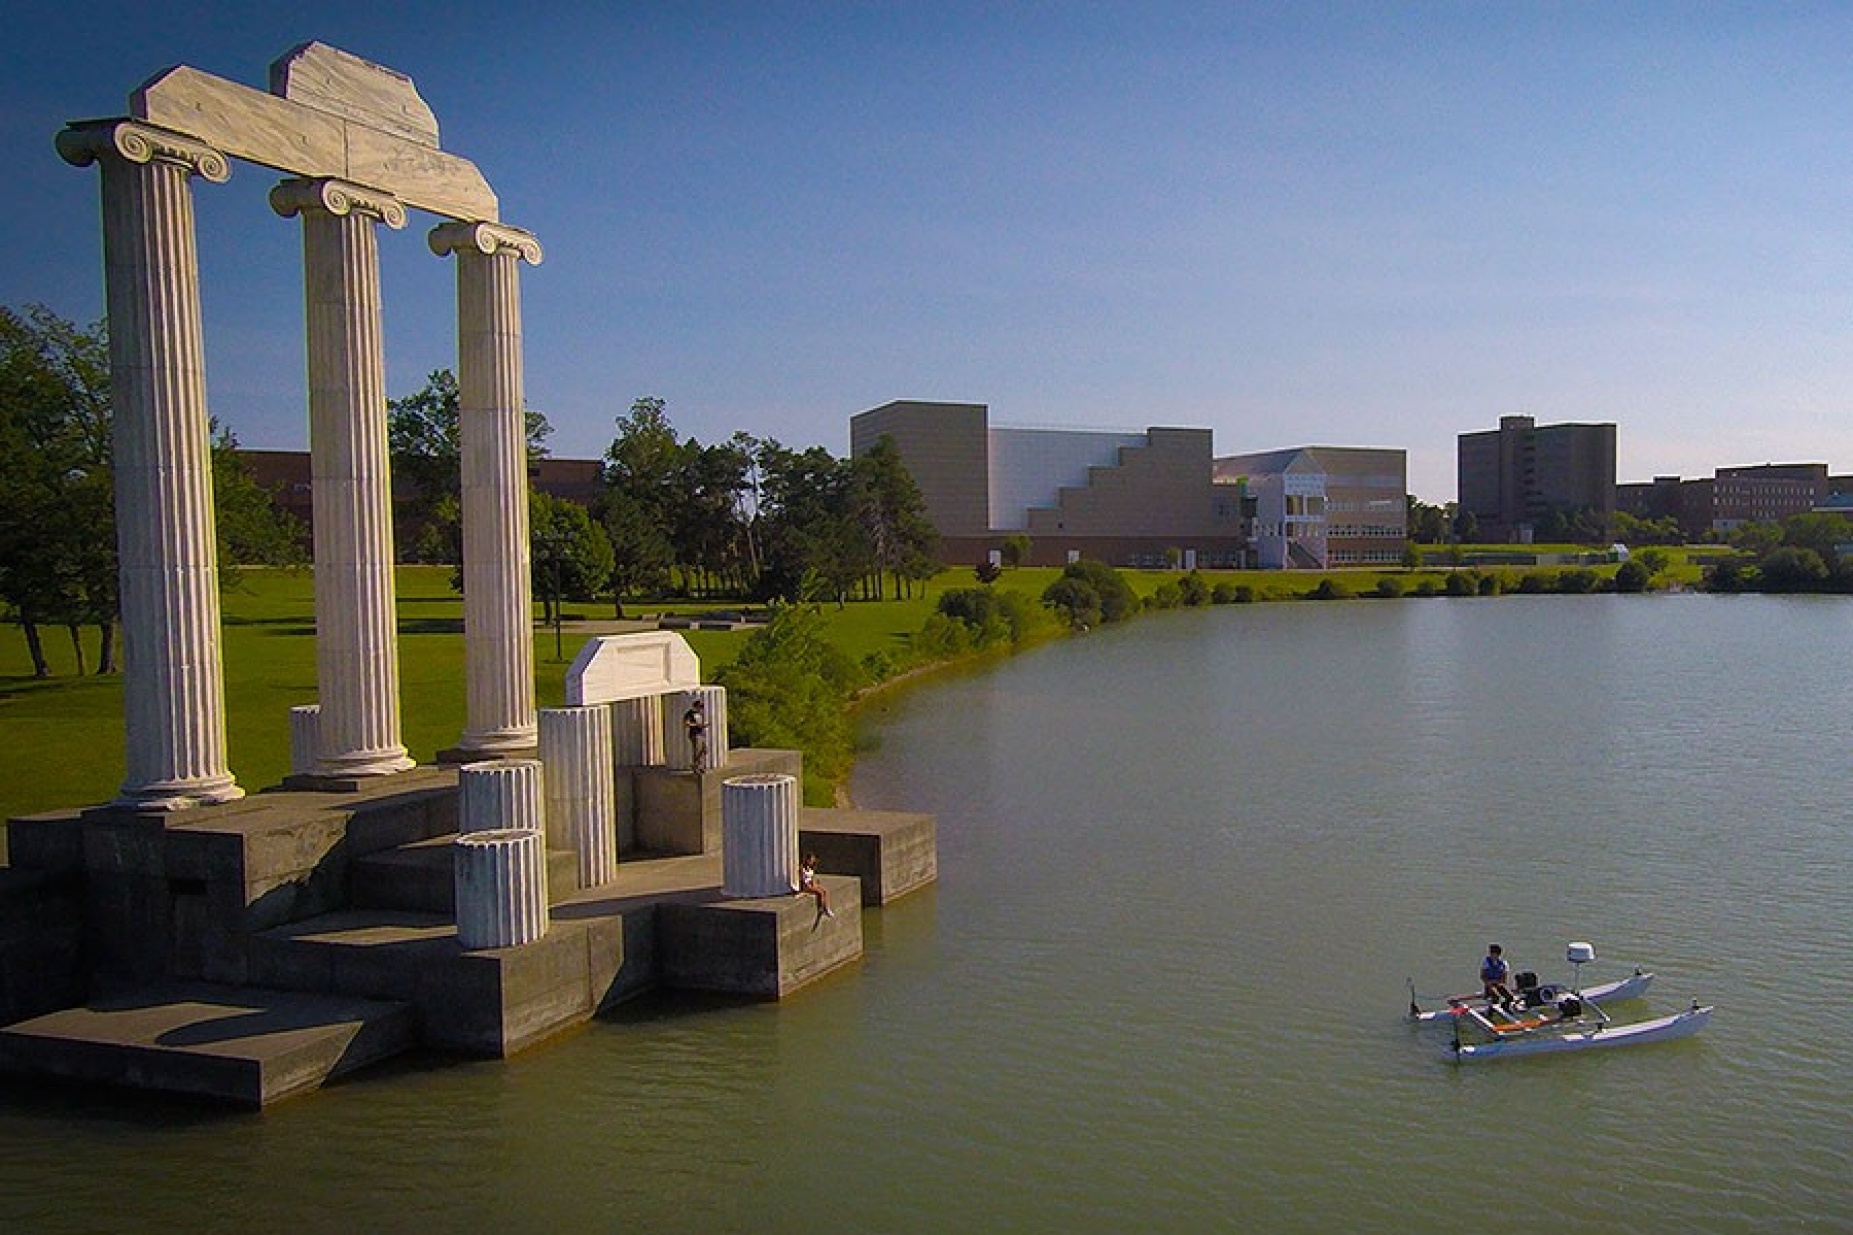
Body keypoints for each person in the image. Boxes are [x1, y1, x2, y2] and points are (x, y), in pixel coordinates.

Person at [799, 852, 836, 920]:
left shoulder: (811, 868)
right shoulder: (802, 868)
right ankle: (821, 908)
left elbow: (813, 877)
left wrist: (815, 884)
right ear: (807, 860)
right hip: (806, 886)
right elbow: (802, 879)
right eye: (811, 860)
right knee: (820, 893)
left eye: (813, 860)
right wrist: (808, 885)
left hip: (811, 884)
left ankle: (827, 908)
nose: (812, 862)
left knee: (825, 891)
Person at [682, 697, 707, 769]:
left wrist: (704, 725)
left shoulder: (699, 714)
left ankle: (697, 763)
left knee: (704, 749)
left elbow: (700, 723)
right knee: (697, 750)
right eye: (699, 707)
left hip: (701, 733)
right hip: (695, 734)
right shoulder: (689, 714)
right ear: (695, 706)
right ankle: (697, 765)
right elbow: (686, 723)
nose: (701, 708)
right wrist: (696, 725)